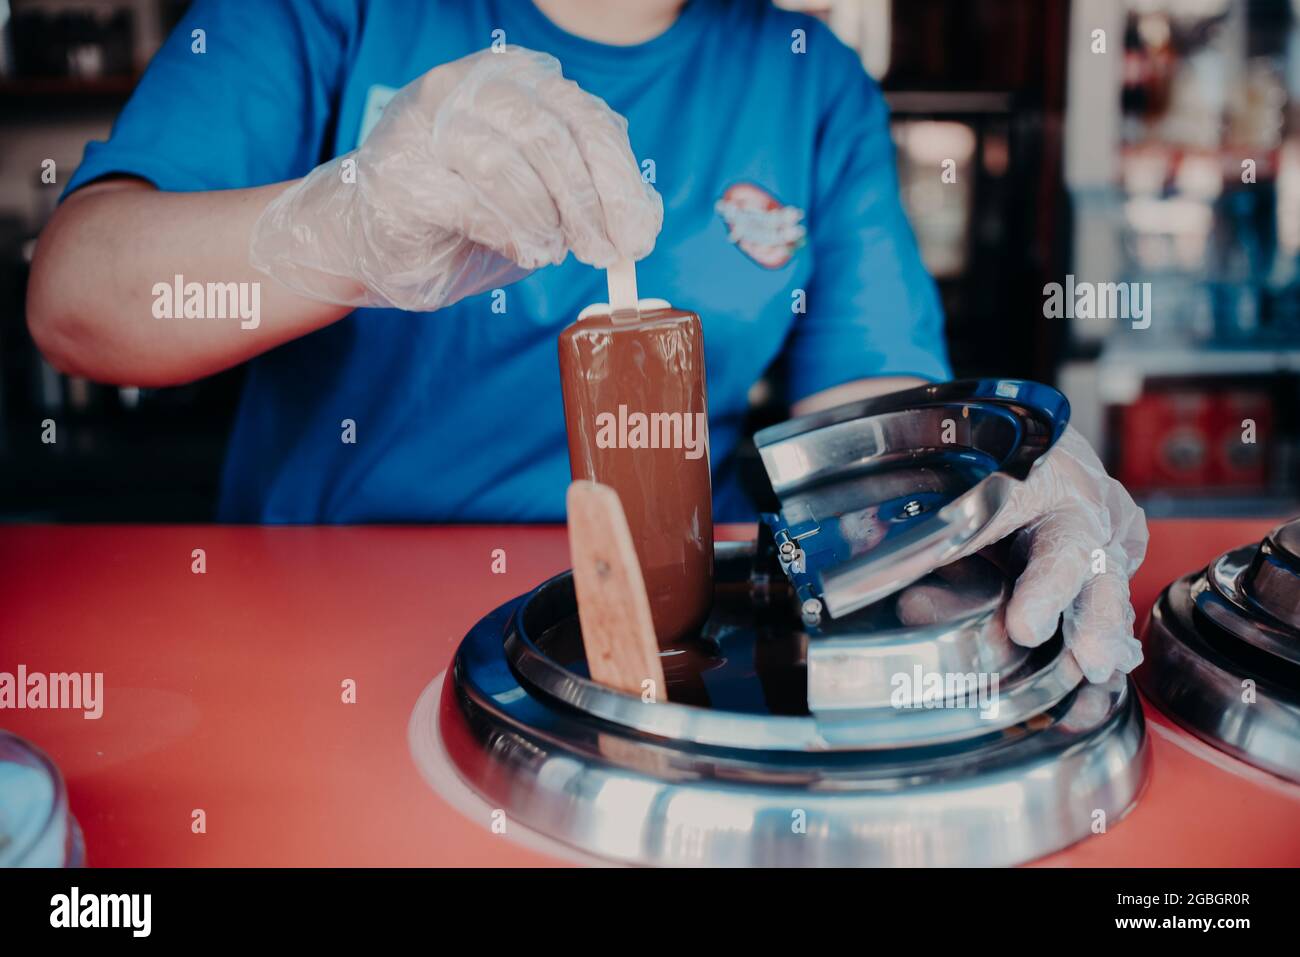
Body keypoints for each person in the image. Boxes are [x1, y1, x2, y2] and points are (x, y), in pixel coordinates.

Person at [26, 0, 1146, 682]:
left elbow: (859, 403)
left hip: (663, 647)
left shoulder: (808, 76)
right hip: (310, 637)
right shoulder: (325, 9)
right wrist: (341, 224)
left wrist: (969, 472)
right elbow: (76, 298)